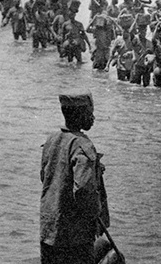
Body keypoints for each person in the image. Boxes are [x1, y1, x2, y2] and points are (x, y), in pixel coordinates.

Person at [40, 93, 110, 264]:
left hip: (49, 230)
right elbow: (84, 191)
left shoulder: (51, 140)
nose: (93, 117)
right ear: (79, 115)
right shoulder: (82, 145)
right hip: (74, 236)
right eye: (89, 112)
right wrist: (96, 215)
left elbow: (45, 177)